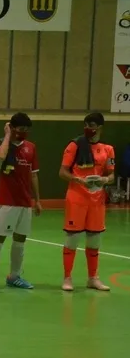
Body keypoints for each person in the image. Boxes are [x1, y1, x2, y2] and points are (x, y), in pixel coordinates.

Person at [59, 112, 114, 292]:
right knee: (72, 239)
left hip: (97, 201)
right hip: (77, 199)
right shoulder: (74, 145)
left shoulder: (108, 149)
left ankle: (93, 278)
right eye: (86, 125)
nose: (88, 128)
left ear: (100, 127)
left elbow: (111, 175)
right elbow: (63, 172)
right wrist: (79, 180)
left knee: (94, 240)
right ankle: (67, 278)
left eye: (92, 125)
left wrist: (105, 180)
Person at [0, 113, 41, 291]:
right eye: (21, 129)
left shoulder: (31, 147)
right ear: (12, 128)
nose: (24, 132)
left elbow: (34, 175)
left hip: (24, 202)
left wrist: (37, 200)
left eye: (27, 129)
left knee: (20, 239)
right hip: (6, 201)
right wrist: (8, 135)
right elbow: (0, 156)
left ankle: (14, 276)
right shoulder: (0, 144)